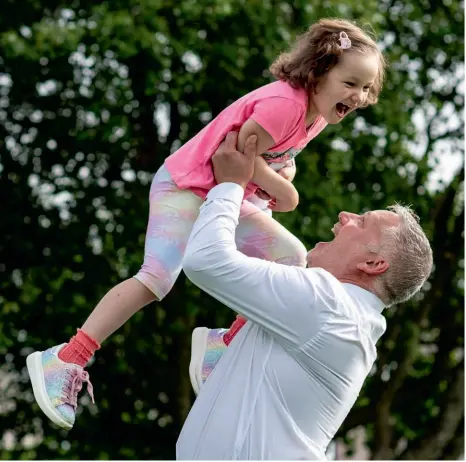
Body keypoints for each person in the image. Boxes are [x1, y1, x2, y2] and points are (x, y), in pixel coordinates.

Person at [27, 18, 386, 429]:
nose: (358, 96)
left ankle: (221, 345)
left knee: (291, 256)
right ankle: (67, 357)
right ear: (319, 72)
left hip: (226, 194)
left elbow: (270, 160)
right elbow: (235, 156)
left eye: (365, 88)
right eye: (350, 83)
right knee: (156, 280)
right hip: (187, 186)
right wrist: (286, 193)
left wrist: (281, 174)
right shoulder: (284, 105)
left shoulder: (316, 114)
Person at [177, 133, 433, 460]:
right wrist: (261, 191)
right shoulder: (337, 316)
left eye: (362, 221)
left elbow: (206, 260)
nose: (345, 216)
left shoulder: (329, 305)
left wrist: (231, 185)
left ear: (372, 264)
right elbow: (259, 265)